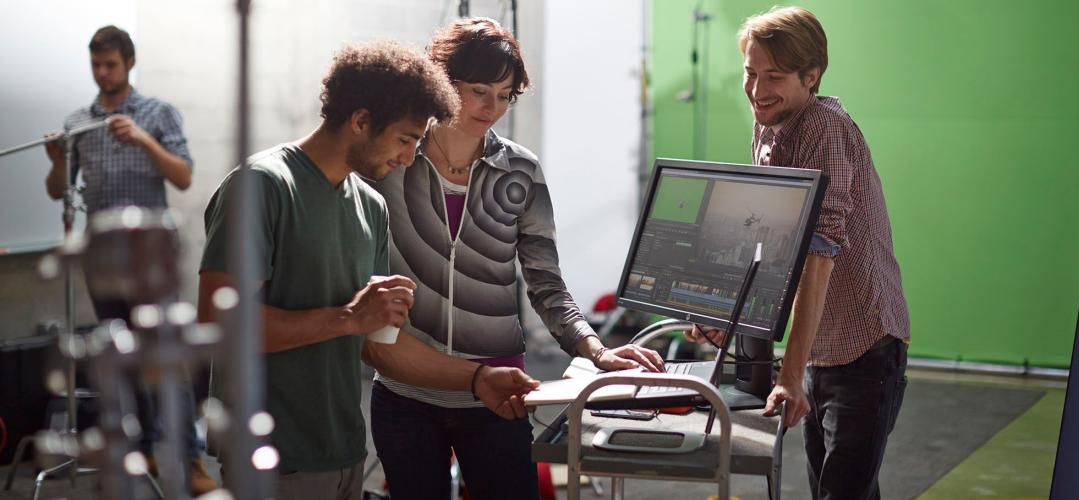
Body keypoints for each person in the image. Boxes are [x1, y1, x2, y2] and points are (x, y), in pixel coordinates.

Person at [196, 40, 539, 500]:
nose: (410, 157)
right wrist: (349, 318)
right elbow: (218, 326)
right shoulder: (262, 186)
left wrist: (478, 379)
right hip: (270, 456)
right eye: (404, 139)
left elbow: (383, 348)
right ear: (360, 121)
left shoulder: (370, 206)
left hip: (343, 454)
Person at [371, 17, 665, 499]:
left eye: (506, 95)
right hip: (407, 390)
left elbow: (547, 283)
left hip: (501, 391)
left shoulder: (521, 172)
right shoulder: (396, 160)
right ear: (442, 81)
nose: (493, 107)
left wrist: (596, 349)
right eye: (480, 90)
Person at [686, 7, 909, 499]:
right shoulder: (769, 124)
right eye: (751, 72)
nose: (757, 89)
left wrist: (787, 376)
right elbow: (769, 243)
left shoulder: (823, 127)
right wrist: (727, 315)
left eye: (775, 77)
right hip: (818, 351)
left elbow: (817, 253)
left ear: (812, 76)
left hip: (865, 347)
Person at [43, 25, 215, 495]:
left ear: (129, 63)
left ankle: (188, 458)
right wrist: (57, 160)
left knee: (164, 362)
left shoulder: (158, 114)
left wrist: (142, 139)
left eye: (111, 65)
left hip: (150, 261)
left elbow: (183, 176)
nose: (103, 73)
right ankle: (141, 455)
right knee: (119, 360)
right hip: (102, 263)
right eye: (96, 65)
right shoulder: (79, 121)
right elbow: (59, 190)